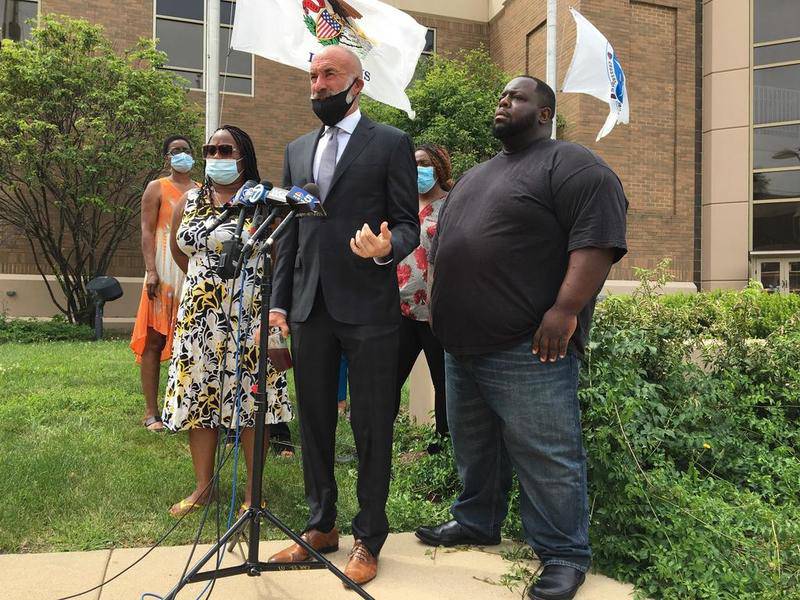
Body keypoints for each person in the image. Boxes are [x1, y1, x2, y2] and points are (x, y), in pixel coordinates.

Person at [416, 76, 628, 600]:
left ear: (544, 113)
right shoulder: (477, 176)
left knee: (547, 452)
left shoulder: (574, 165)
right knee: (475, 445)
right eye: (500, 94)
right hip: (463, 344)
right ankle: (477, 519)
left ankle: (562, 553)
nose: (502, 101)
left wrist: (565, 309)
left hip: (529, 344)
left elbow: (597, 241)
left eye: (516, 96)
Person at [267, 46, 419, 585]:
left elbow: (407, 224)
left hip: (369, 310)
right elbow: (289, 235)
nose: (317, 85)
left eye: (328, 74)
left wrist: (385, 249)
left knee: (372, 423)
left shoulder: (391, 144)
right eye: (312, 76)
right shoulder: (296, 148)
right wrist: (279, 304)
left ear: (357, 83)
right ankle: (320, 527)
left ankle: (369, 538)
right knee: (312, 420)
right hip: (310, 308)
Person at [162, 125, 293, 518]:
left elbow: (278, 257)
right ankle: (203, 488)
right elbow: (180, 252)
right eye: (211, 149)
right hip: (200, 316)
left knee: (252, 404)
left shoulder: (263, 204)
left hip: (250, 316)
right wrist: (209, 285)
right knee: (200, 398)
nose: (217, 156)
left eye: (226, 149)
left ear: (244, 155)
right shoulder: (188, 200)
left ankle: (253, 494)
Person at [130, 136, 199, 432]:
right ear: (166, 158)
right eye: (175, 151)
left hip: (191, 270)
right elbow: (146, 230)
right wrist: (151, 271)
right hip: (162, 270)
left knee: (188, 341)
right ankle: (151, 412)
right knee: (155, 339)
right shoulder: (156, 188)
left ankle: (181, 410)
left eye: (186, 150)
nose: (181, 155)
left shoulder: (201, 190)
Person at [395, 143, 452, 452]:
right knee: (389, 380)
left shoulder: (452, 204)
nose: (418, 170)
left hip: (435, 312)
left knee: (443, 381)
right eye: (413, 163)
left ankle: (443, 444)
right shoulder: (401, 205)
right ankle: (377, 442)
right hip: (400, 309)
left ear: (439, 168)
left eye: (424, 163)